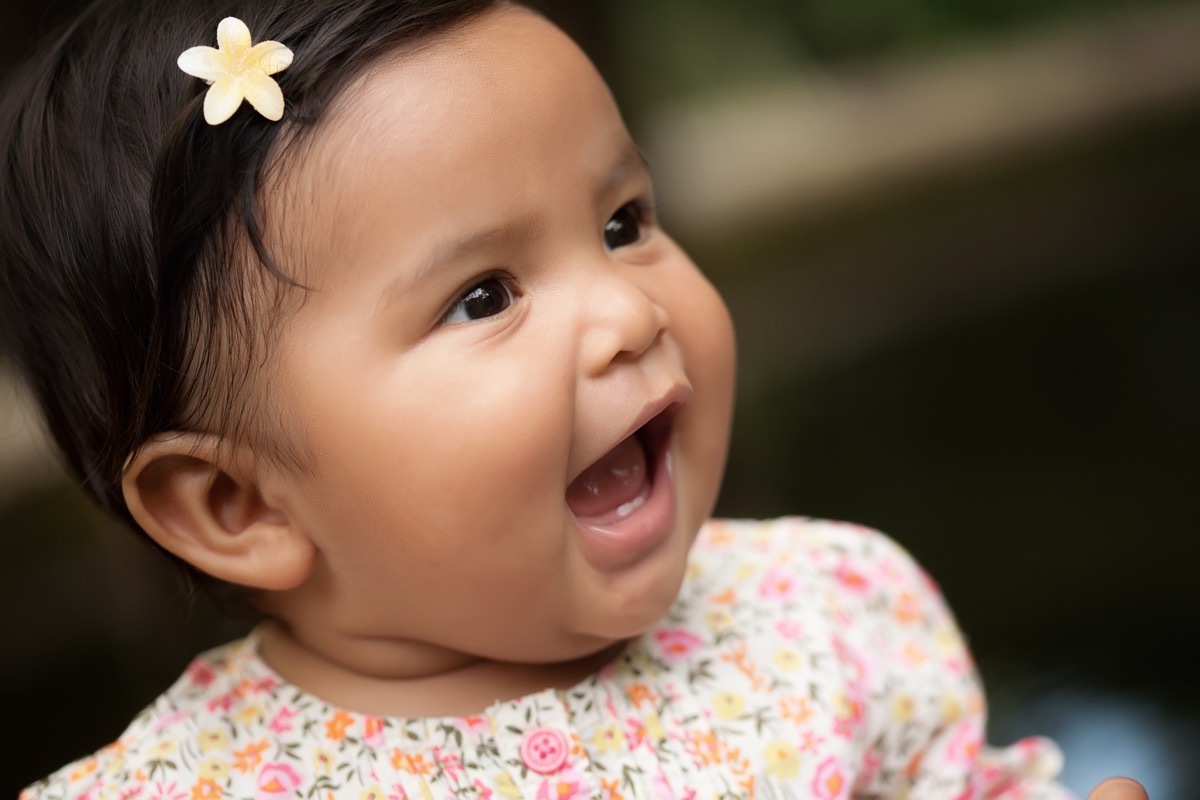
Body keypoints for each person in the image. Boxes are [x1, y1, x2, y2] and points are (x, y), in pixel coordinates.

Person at [0, 1, 1151, 798]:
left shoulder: (826, 609)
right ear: (235, 501)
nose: (629, 312)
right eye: (484, 295)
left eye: (624, 224)